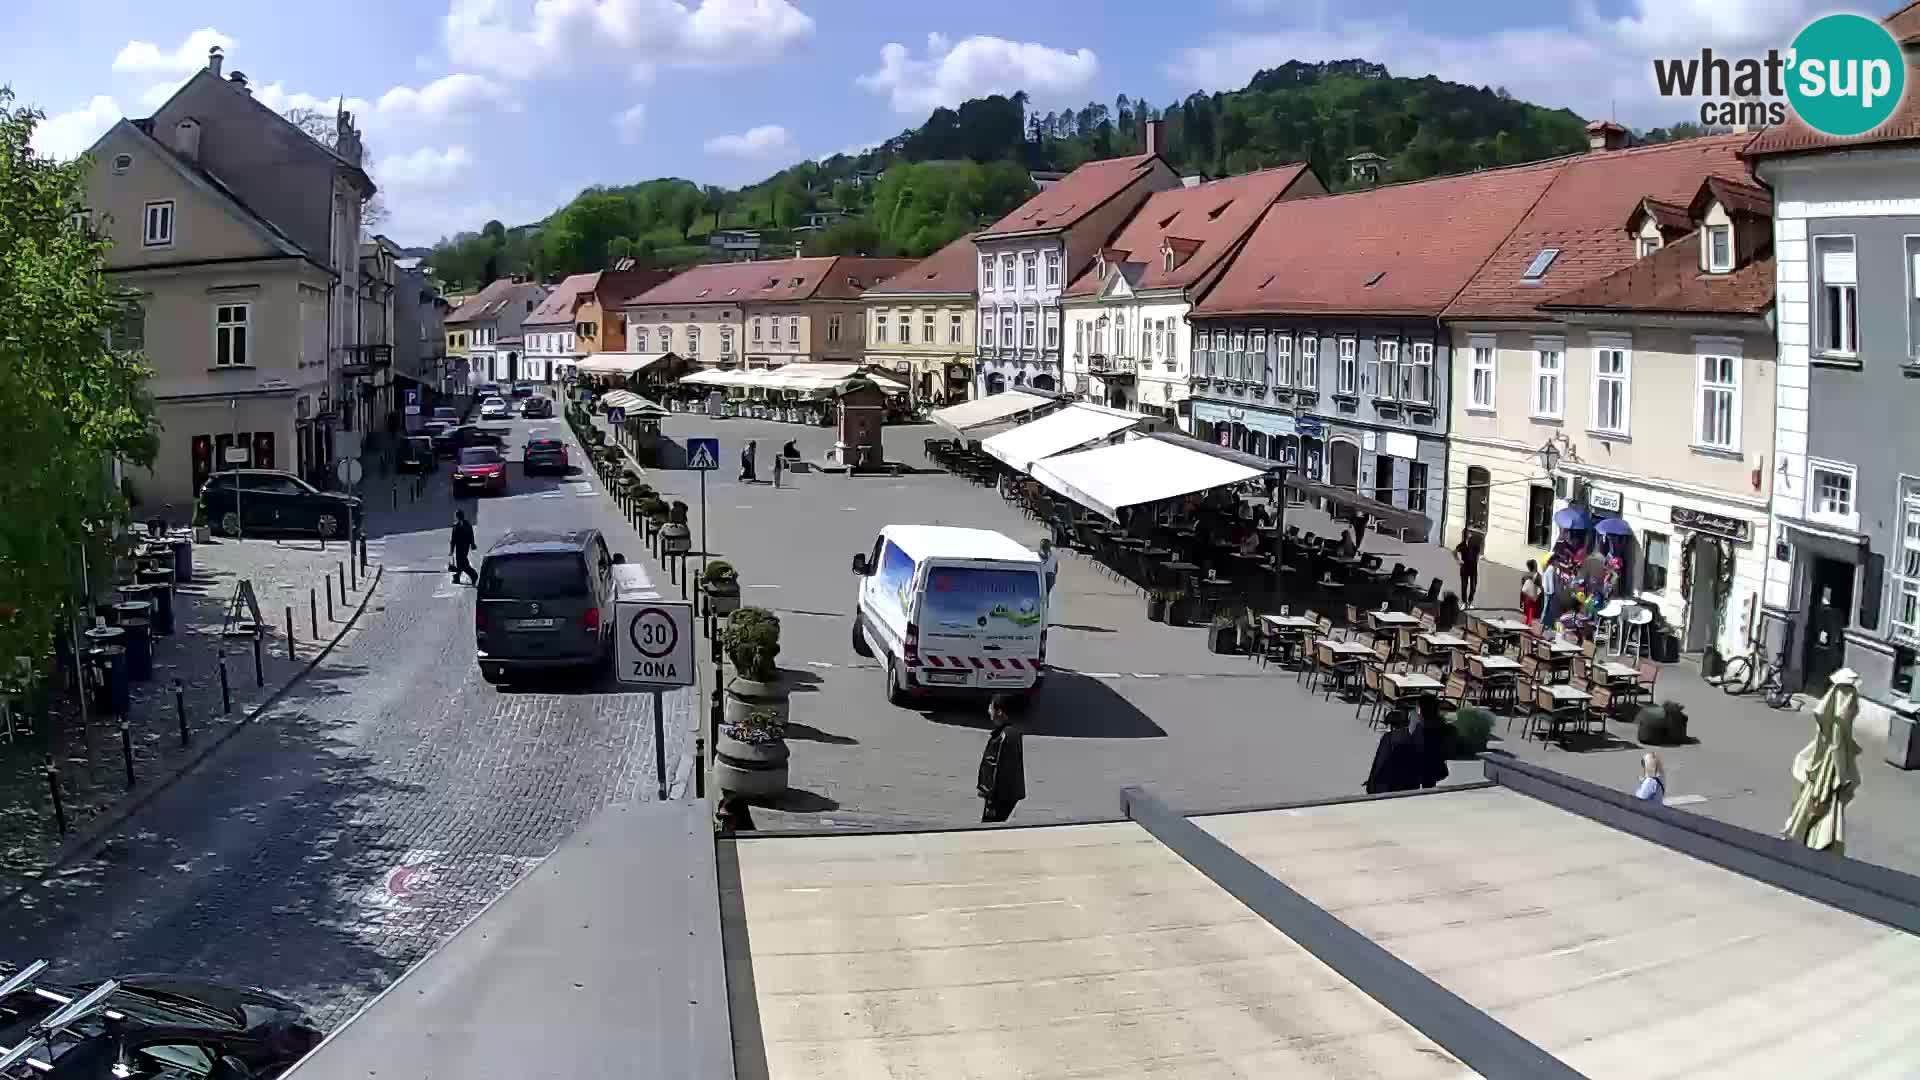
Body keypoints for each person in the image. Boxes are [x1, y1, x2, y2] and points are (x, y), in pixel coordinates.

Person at [976, 695, 1026, 823]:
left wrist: (989, 795)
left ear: (999, 712)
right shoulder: (1012, 732)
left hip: (999, 797)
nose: (989, 711)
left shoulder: (1003, 737)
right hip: (1007, 795)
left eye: (991, 707)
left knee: (990, 827)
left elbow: (996, 768)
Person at [1363, 709, 1425, 795]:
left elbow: (1380, 762)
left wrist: (1372, 784)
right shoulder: (1413, 739)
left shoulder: (1389, 738)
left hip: (1388, 788)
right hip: (1408, 789)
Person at [1412, 696, 1452, 789]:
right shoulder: (1440, 724)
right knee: (1429, 785)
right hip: (1433, 764)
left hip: (1425, 764)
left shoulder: (1421, 725)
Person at [1453, 529, 1483, 606]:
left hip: (1473, 568)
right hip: (1465, 567)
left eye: (1469, 534)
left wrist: (1477, 559)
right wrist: (1459, 561)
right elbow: (1454, 552)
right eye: (1466, 534)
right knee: (1464, 586)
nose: (1468, 536)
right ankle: (1464, 602)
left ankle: (1470, 601)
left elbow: (1480, 554)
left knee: (1473, 586)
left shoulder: (1475, 545)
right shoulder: (1462, 545)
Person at [449, 510, 478, 585]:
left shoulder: (457, 526)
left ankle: (473, 575)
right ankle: (457, 577)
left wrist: (451, 550)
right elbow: (471, 535)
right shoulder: (467, 524)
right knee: (460, 562)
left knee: (462, 563)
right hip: (464, 547)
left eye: (456, 515)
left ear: (457, 516)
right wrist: (472, 544)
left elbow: (453, 539)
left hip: (461, 547)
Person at [1520, 559, 1544, 625]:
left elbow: (1522, 588)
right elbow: (1540, 588)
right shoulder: (1538, 576)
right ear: (1535, 566)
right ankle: (1528, 623)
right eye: (1536, 565)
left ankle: (1526, 623)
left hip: (1525, 596)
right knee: (1531, 610)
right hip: (1533, 596)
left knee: (1527, 611)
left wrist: (1521, 600)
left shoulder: (1525, 575)